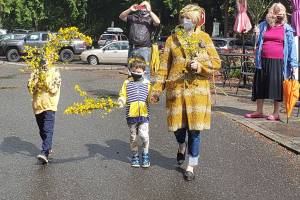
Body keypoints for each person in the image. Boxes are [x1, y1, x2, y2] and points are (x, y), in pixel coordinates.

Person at [150, 4, 221, 181]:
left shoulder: (204, 38)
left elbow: (216, 63)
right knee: (178, 129)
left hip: (198, 91)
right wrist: (157, 90)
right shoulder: (171, 40)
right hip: (176, 91)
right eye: (183, 18)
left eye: (189, 18)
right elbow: (163, 68)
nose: (185, 21)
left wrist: (201, 67)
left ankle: (191, 165)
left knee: (195, 131)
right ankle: (181, 145)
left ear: (196, 21)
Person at [245, 3, 298, 121]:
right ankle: (259, 111)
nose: (279, 14)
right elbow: (255, 43)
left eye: (281, 12)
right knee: (260, 85)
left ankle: (276, 113)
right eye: (276, 11)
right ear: (271, 12)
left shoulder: (287, 28)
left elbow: (292, 47)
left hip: (279, 61)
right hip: (262, 59)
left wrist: (294, 64)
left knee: (277, 87)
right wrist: (255, 34)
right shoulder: (263, 25)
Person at [118, 56, 152, 168]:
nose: (136, 73)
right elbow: (123, 95)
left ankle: (145, 154)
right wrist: (121, 101)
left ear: (144, 72)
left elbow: (150, 98)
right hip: (131, 115)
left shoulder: (147, 83)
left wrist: (153, 98)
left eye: (138, 71)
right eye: (133, 71)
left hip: (144, 114)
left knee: (143, 135)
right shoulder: (127, 83)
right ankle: (135, 156)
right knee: (133, 137)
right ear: (130, 71)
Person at [27, 60, 61, 164]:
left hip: (50, 105)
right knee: (42, 130)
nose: (44, 63)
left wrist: (44, 80)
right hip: (37, 106)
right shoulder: (36, 71)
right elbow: (29, 86)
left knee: (47, 129)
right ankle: (48, 147)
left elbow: (54, 89)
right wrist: (36, 81)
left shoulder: (55, 71)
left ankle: (44, 153)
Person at [119, 1, 160, 80]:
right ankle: (131, 89)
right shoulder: (133, 17)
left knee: (145, 70)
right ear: (139, 7)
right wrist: (130, 9)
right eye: (142, 6)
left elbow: (158, 22)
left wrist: (149, 11)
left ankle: (144, 90)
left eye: (145, 6)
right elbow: (121, 17)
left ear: (149, 8)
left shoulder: (150, 19)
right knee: (131, 69)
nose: (143, 8)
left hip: (144, 49)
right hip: (132, 48)